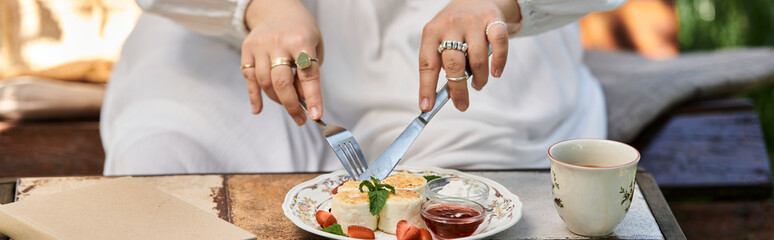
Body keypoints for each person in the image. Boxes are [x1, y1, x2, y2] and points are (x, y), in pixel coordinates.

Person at [101, 0, 625, 175]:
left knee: (463, 195)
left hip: (461, 30)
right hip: (242, 38)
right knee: (162, 156)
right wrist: (263, 7)